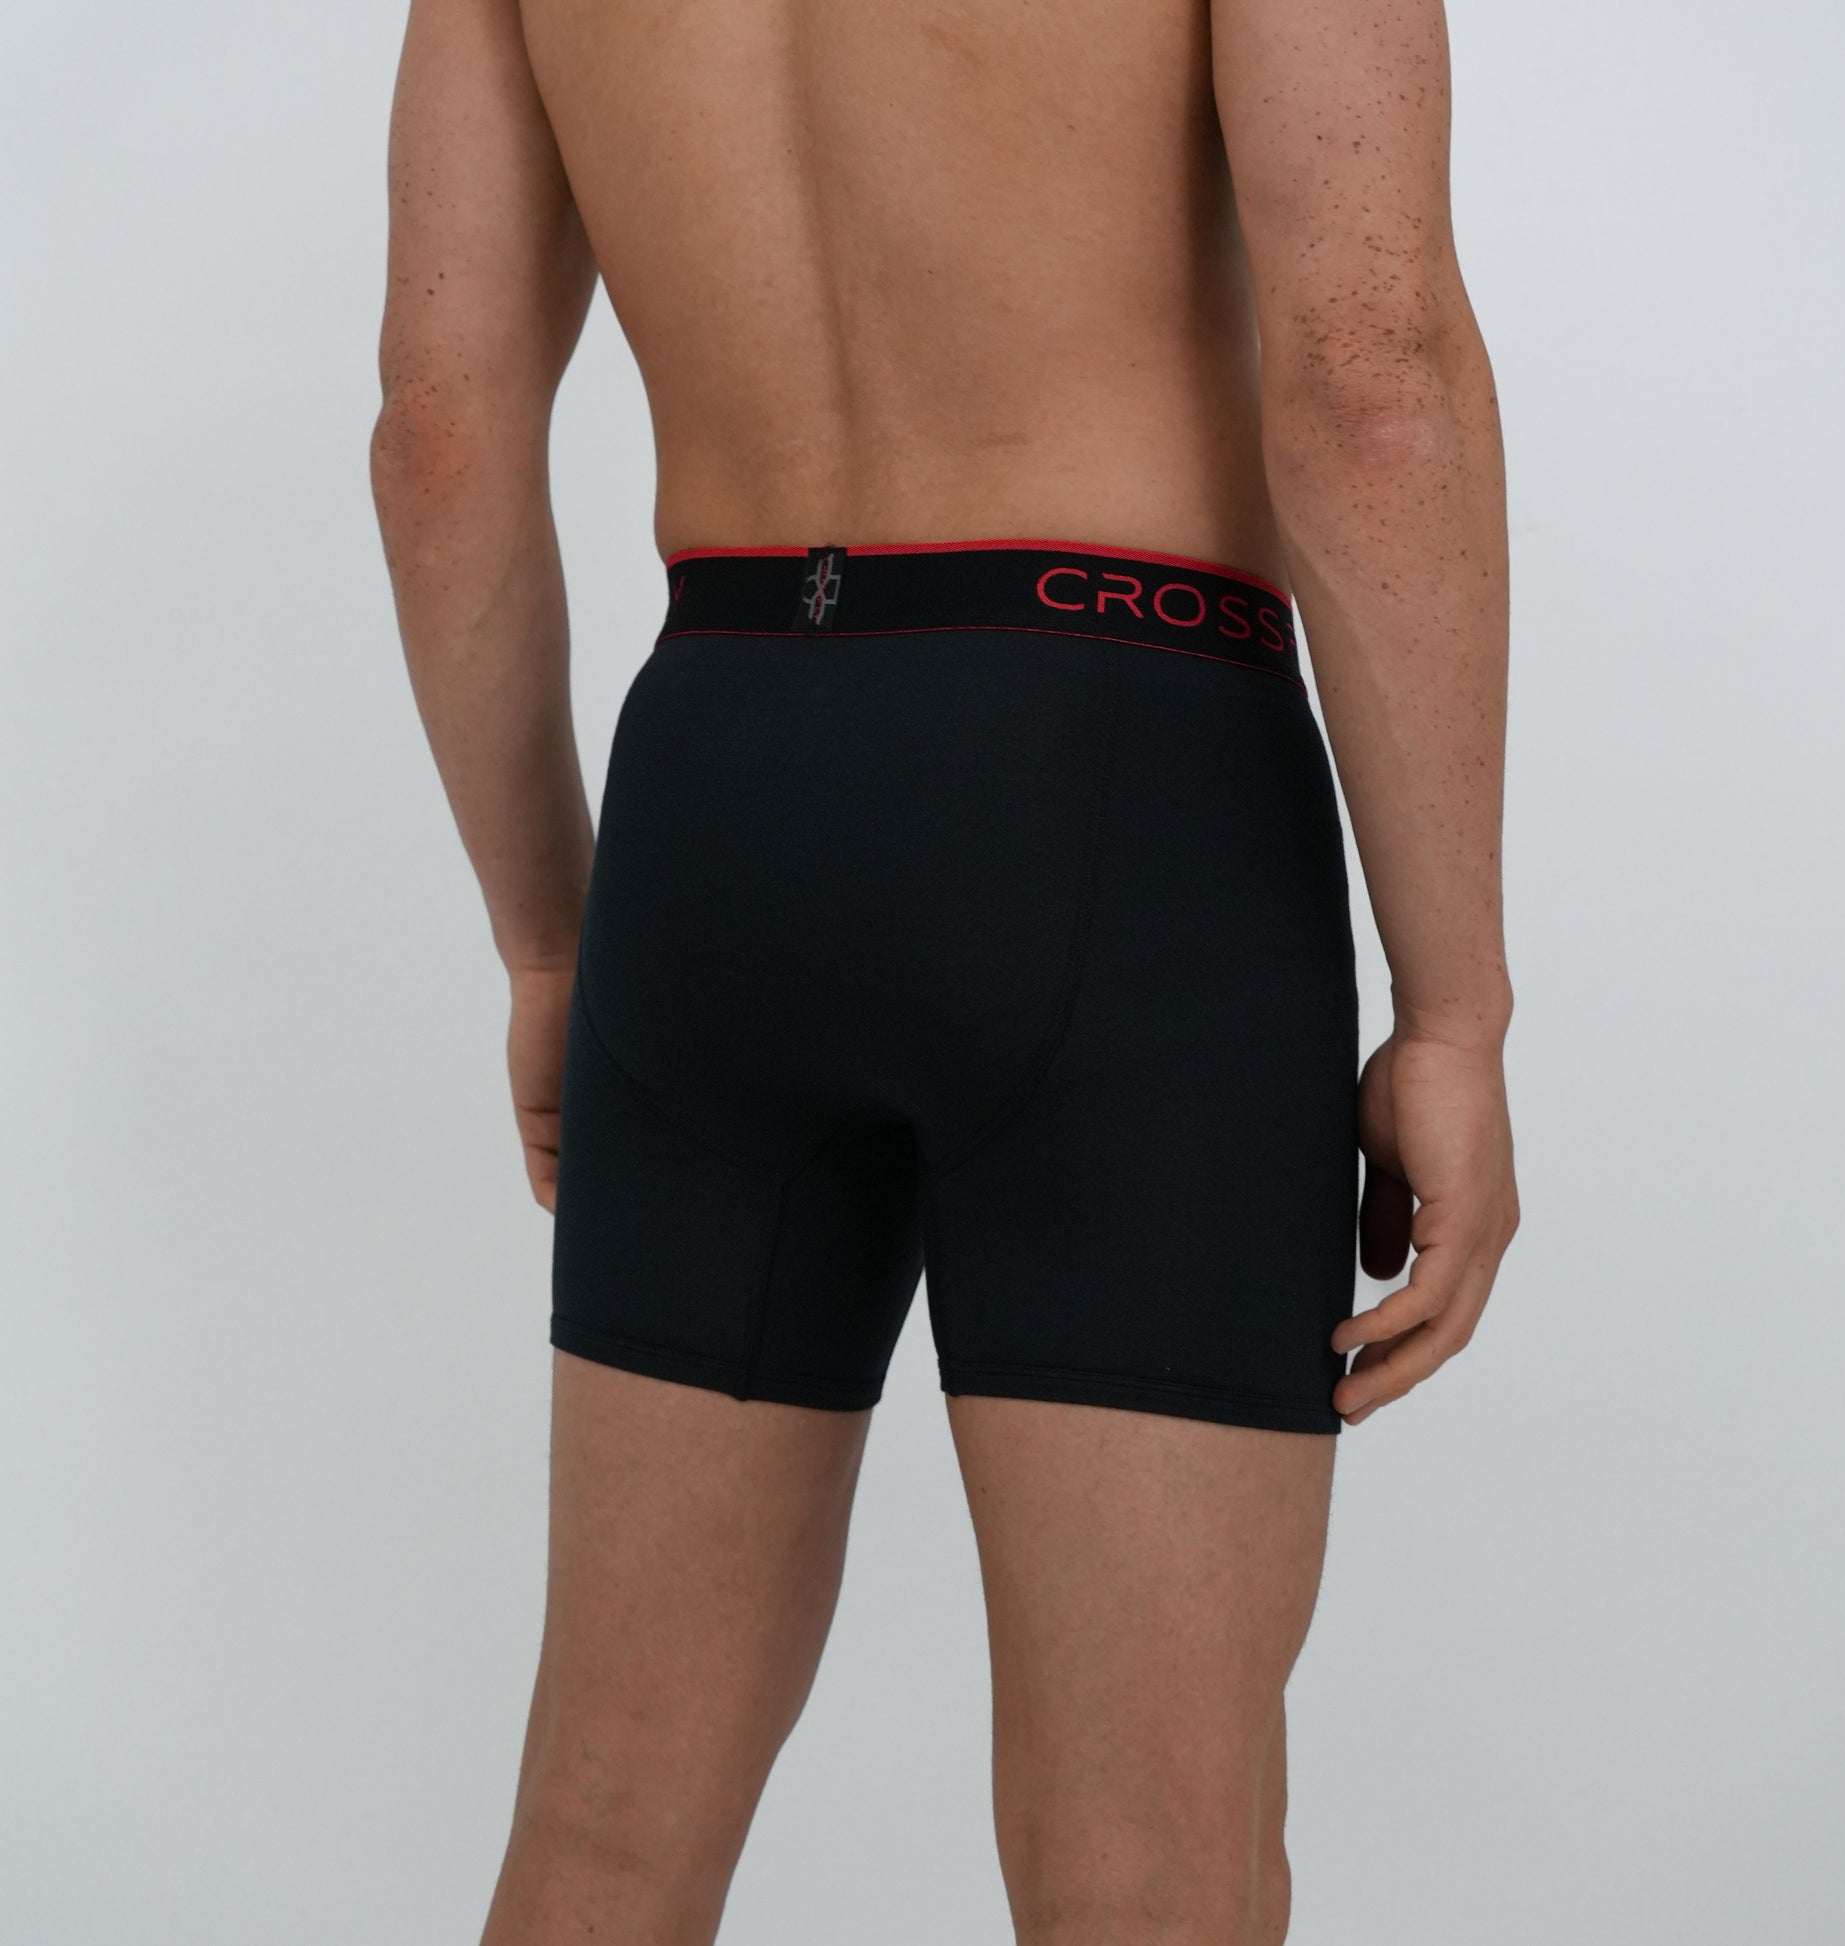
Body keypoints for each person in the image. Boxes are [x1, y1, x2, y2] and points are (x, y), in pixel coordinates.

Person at [370, 0, 1518, 1937]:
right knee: (1150, 1877)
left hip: (717, 788)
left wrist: (548, 937)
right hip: (1118, 788)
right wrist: (1454, 1006)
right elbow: (1366, 370)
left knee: (607, 1826)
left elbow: (438, 428)